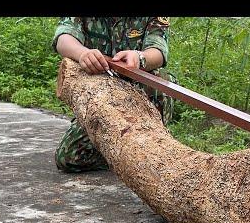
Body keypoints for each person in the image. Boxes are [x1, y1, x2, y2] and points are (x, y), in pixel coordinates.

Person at [52, 17, 175, 172]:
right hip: (99, 96)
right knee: (69, 157)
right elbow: (63, 38)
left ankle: (156, 145)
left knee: (162, 82)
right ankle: (123, 158)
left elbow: (158, 51)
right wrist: (83, 54)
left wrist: (140, 57)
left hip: (139, 92)